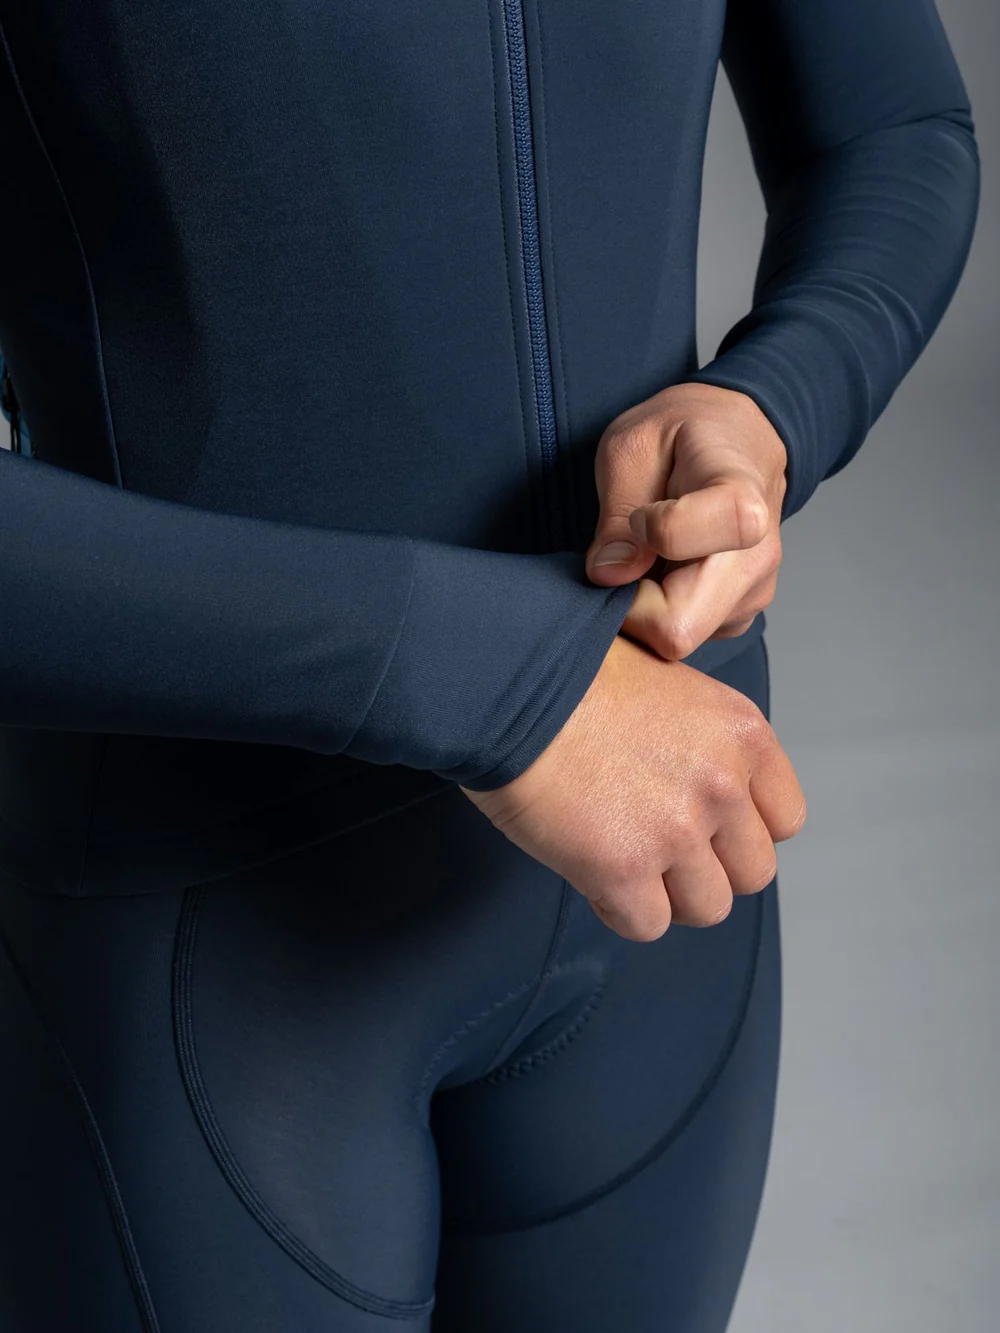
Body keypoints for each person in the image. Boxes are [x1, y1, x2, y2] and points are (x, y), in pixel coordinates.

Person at [0, 0, 978, 1329]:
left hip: (666, 860)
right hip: (210, 949)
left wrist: (771, 406)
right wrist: (492, 683)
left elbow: (895, 125)